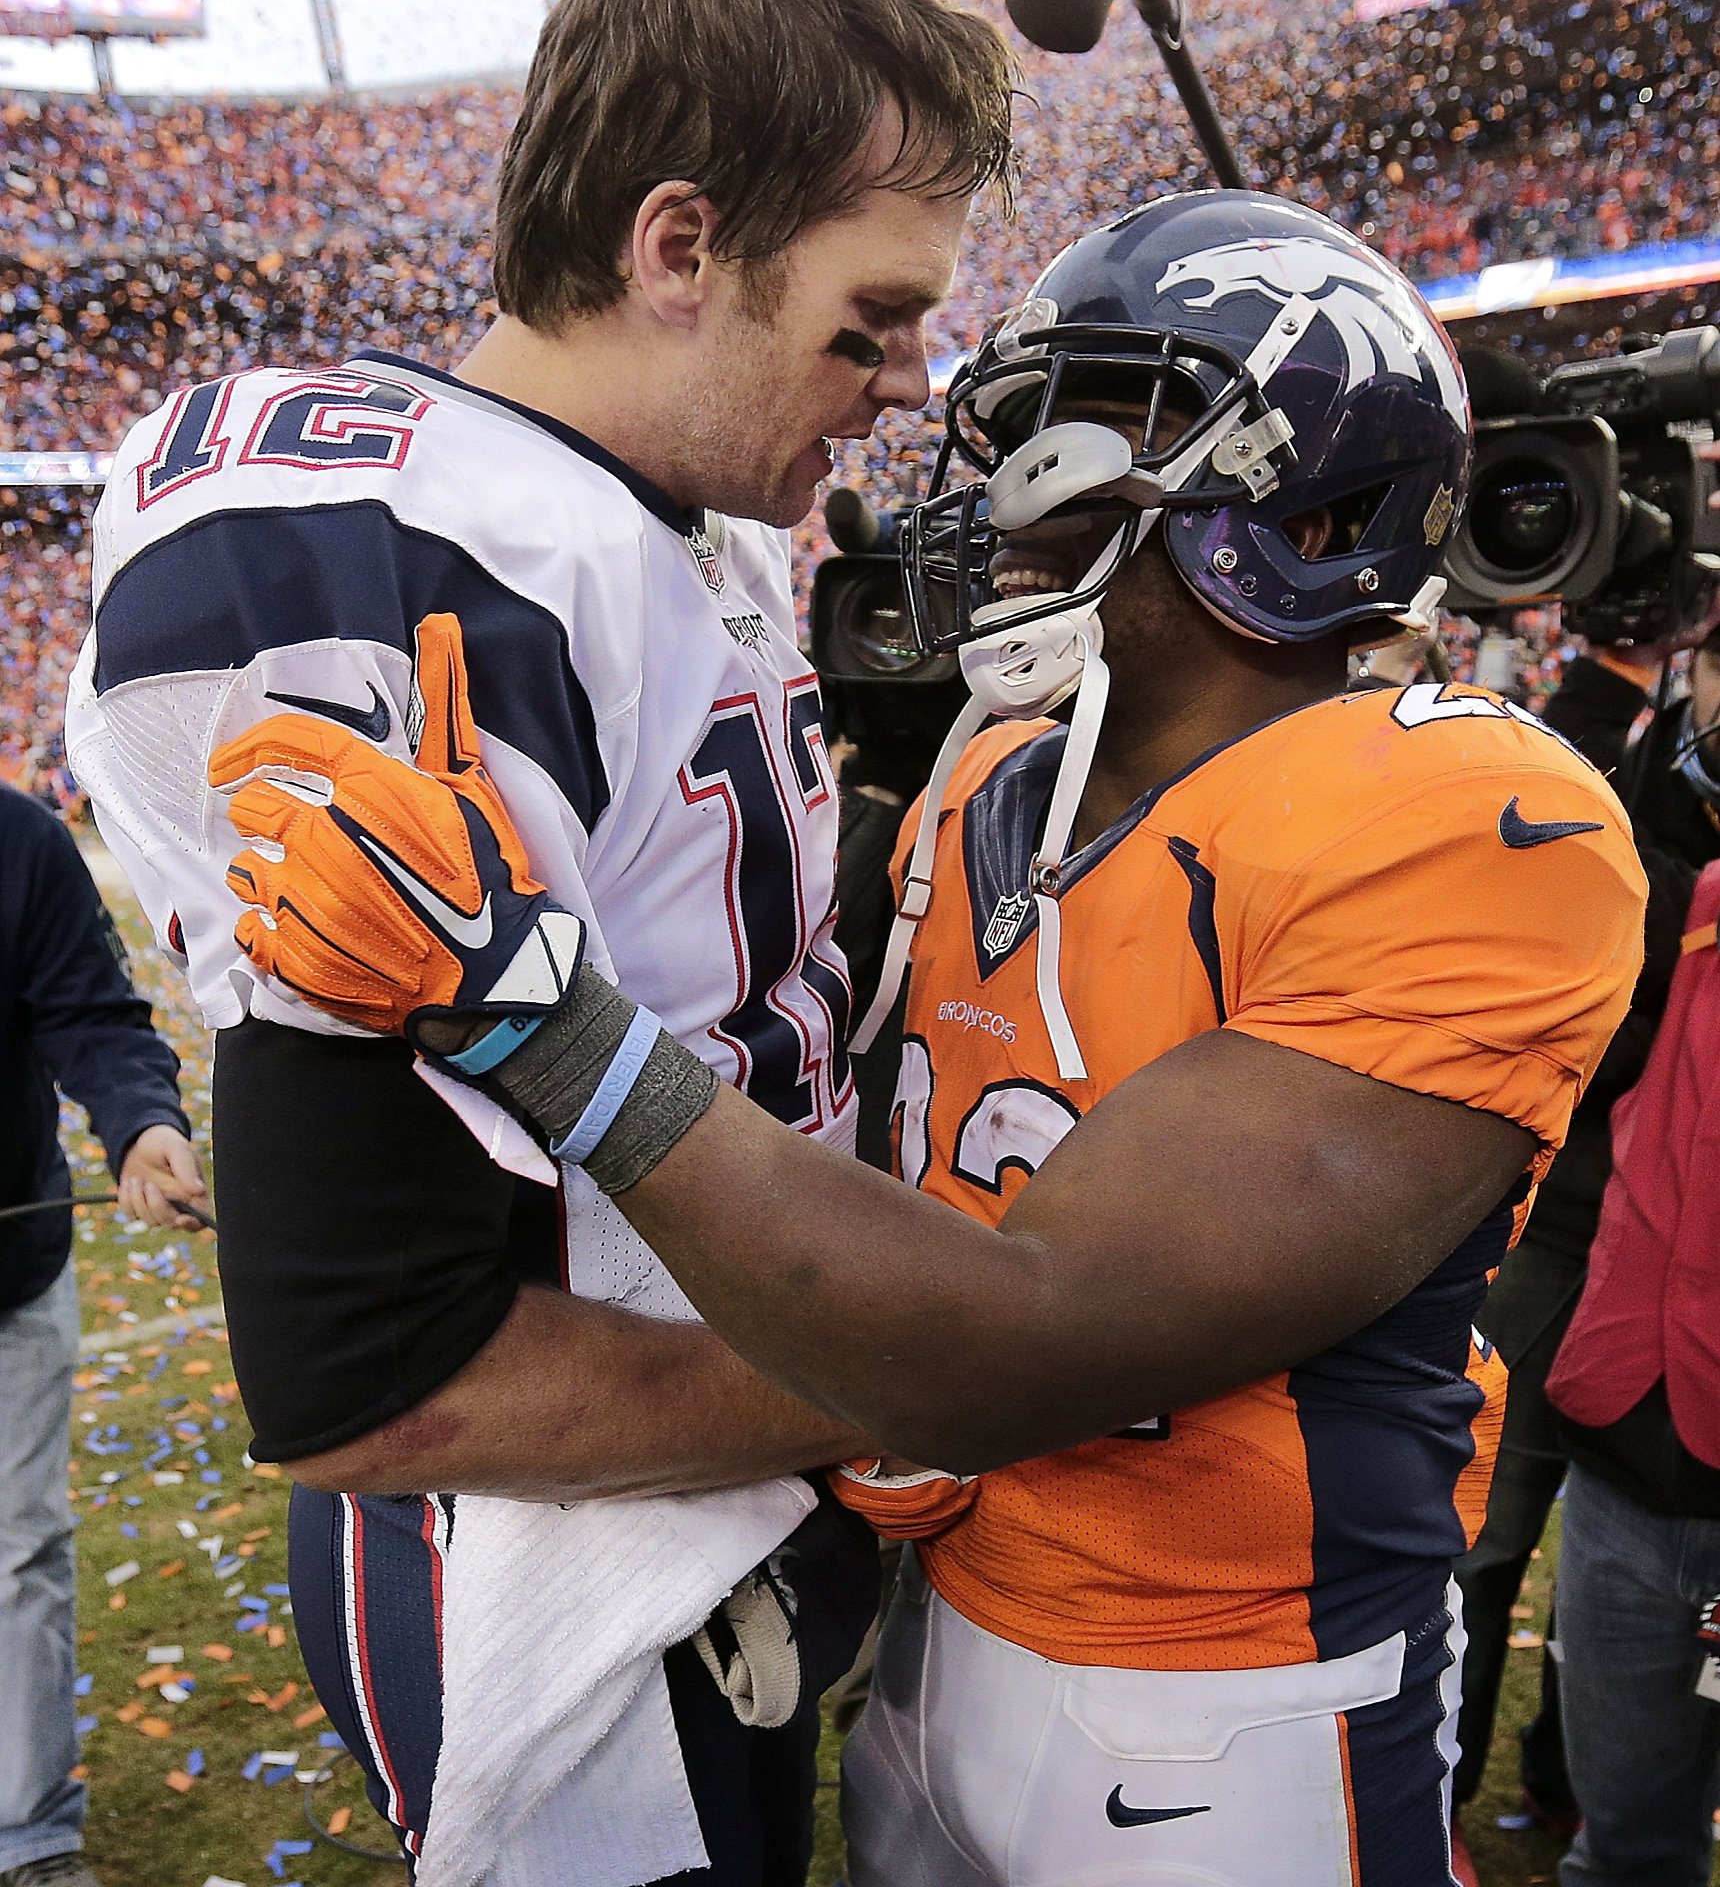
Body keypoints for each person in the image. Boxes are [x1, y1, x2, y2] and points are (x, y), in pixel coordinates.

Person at [206, 191, 1648, 1885]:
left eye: (1098, 426)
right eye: (1026, 419)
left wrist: (547, 1023)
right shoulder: (991, 776)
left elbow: (1029, 1336)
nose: (1018, 483)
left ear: (1307, 506)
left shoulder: (1467, 814)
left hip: (1222, 1695)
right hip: (944, 1636)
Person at [65, 0, 1014, 1886]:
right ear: (680, 245)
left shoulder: (673, 533)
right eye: (873, 315)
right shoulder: (432, 559)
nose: (911, 375)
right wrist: (878, 1367)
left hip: (707, 1500)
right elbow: (373, 1385)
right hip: (550, 1580)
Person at [1450, 627, 1720, 1836]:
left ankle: (1571, 1777)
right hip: (1576, 1233)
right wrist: (1606, 673)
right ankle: (1460, 1784)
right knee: (1493, 1528)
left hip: (1664, 1262)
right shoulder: (1650, 759)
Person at [1536, 640, 1720, 1887]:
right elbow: (1549, 821)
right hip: (1621, 1458)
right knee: (1625, 1852)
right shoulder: (1691, 908)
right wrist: (1606, 662)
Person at [0, 782, 205, 1887]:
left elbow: (89, 1012)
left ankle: (29, 1830)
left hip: (8, 1278)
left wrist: (141, 1125)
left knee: (16, 1546)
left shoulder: (20, 838)